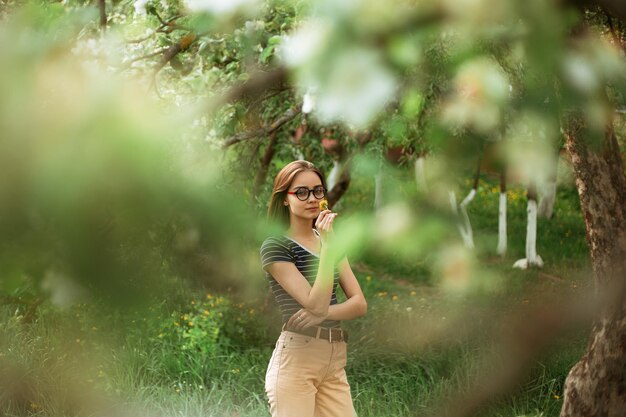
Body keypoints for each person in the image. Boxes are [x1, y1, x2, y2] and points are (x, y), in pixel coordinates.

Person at [260, 160, 367, 417]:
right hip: (297, 360)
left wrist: (325, 314)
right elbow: (314, 303)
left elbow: (359, 304)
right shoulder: (276, 246)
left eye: (318, 190)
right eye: (301, 192)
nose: (312, 198)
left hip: (333, 360)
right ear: (285, 199)